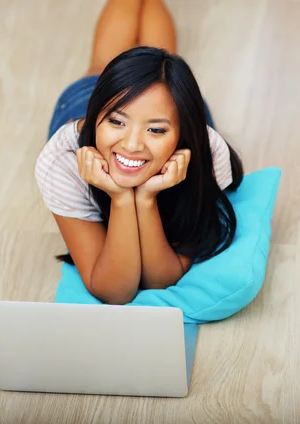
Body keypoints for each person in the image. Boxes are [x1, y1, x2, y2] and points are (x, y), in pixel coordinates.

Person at [35, 0, 243, 305]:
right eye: (117, 122)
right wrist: (121, 198)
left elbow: (160, 280)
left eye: (156, 131)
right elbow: (113, 291)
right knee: (103, 67)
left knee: (163, 65)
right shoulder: (62, 161)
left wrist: (144, 199)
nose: (132, 145)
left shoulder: (206, 153)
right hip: (86, 103)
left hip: (172, 108)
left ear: (182, 135)